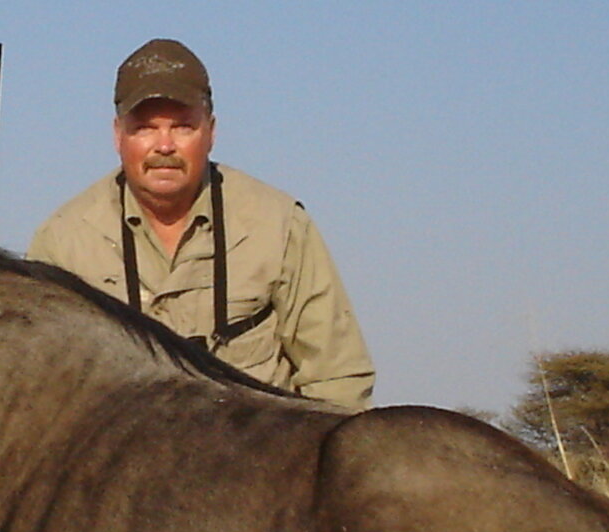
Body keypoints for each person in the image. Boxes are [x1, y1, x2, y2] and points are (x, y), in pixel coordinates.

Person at [28, 38, 375, 409]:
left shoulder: (280, 225)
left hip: (255, 459)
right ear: (117, 135)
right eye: (145, 128)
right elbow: (37, 385)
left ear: (210, 131)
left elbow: (337, 378)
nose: (164, 146)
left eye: (182, 127)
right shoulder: (62, 243)